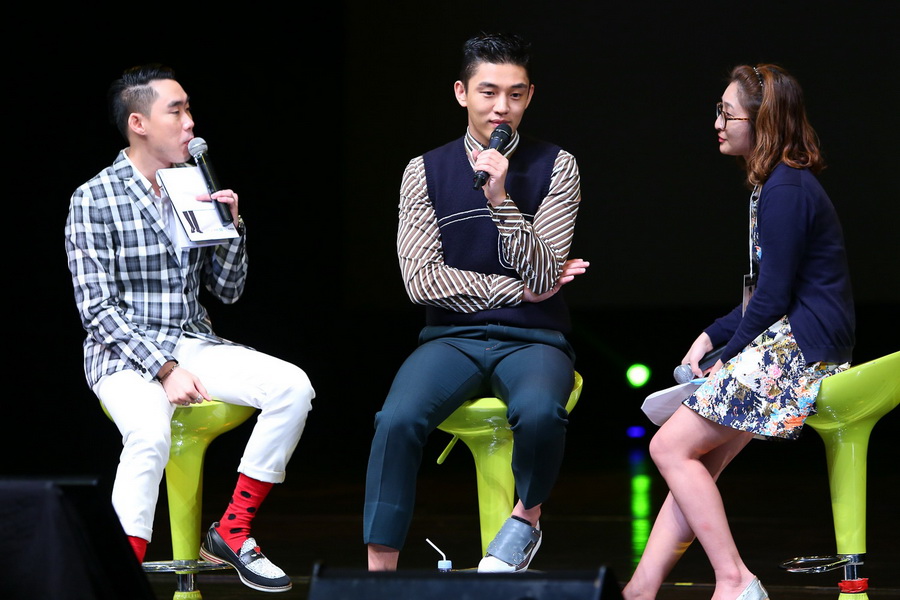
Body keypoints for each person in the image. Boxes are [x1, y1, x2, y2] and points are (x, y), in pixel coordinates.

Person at [64, 64, 315, 593]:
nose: (189, 123)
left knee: (293, 386)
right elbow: (97, 310)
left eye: (188, 109)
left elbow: (228, 291)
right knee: (149, 434)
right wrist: (164, 368)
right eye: (175, 111)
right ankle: (120, 575)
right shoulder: (94, 197)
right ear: (138, 123)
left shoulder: (191, 186)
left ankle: (232, 531)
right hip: (122, 354)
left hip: (192, 340)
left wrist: (231, 227)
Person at [622, 64, 855, 600]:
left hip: (805, 345)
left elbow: (773, 300)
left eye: (727, 114)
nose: (717, 123)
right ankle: (641, 589)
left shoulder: (787, 189)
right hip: (795, 338)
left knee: (669, 447)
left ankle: (735, 579)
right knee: (693, 460)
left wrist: (728, 354)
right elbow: (763, 294)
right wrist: (711, 337)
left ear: (762, 122)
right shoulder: (775, 184)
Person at [363, 31, 590, 573]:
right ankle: (378, 573)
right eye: (488, 92)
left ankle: (526, 519)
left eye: (515, 94)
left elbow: (544, 270)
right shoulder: (424, 170)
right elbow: (422, 282)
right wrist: (519, 292)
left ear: (529, 96)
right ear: (462, 93)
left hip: (535, 338)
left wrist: (501, 198)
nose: (501, 107)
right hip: (451, 338)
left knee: (540, 412)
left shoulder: (558, 166)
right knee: (395, 420)